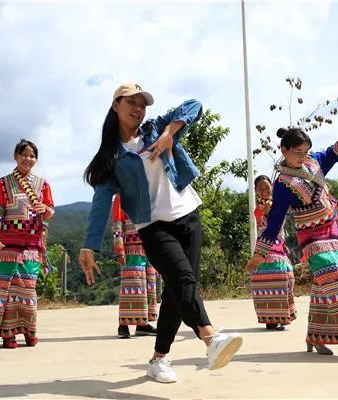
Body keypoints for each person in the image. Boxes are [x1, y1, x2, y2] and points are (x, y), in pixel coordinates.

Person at [79, 83, 242, 383]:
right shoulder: (111, 158)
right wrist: (89, 246)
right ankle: (211, 338)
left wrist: (169, 133)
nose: (138, 108)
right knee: (183, 280)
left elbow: (194, 105)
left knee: (176, 291)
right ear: (115, 105)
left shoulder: (155, 129)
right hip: (153, 227)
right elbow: (101, 203)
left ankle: (158, 359)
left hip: (188, 215)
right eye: (131, 102)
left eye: (142, 104)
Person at [246, 127, 338, 355]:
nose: (302, 156)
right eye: (297, 152)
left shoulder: (312, 162)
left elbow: (328, 156)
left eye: (305, 151)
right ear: (284, 150)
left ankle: (316, 337)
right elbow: (275, 220)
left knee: (323, 288)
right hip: (313, 240)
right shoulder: (283, 184)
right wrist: (259, 254)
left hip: (333, 233)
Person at [0, 139, 55, 349]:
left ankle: (29, 331)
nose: (28, 159)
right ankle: (8, 335)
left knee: (27, 291)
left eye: (32, 156)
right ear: (16, 156)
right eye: (24, 154)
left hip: (32, 245)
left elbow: (50, 212)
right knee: (6, 292)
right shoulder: (2, 183)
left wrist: (46, 210)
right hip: (7, 245)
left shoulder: (43, 184)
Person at [250, 175, 296, 331]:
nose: (263, 190)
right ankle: (270, 319)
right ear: (255, 190)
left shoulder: (279, 203)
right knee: (262, 281)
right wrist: (264, 212)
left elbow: (278, 221)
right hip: (262, 246)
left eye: (266, 187)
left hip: (277, 244)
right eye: (260, 188)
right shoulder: (257, 207)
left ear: (272, 187)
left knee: (284, 276)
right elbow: (260, 221)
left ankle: (283, 316)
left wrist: (270, 212)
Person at [112, 194, 159, 339]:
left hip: (149, 247)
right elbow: (117, 224)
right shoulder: (121, 196)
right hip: (132, 249)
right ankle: (123, 325)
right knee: (132, 287)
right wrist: (119, 248)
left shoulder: (149, 193)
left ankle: (142, 325)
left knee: (148, 286)